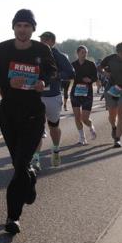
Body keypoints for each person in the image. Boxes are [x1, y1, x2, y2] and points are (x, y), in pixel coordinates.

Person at [0, 9, 57, 236]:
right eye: (19, 25)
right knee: (19, 165)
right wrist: (6, 81)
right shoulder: (1, 49)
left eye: (27, 26)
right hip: (9, 114)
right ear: (13, 27)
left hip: (33, 113)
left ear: (33, 29)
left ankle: (12, 217)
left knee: (20, 164)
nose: (22, 29)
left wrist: (43, 81)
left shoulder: (41, 50)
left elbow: (52, 70)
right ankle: (31, 177)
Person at [34, 32, 74, 169]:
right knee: (37, 128)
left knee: (53, 127)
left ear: (52, 42)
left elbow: (70, 73)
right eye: (40, 40)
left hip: (52, 96)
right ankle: (36, 159)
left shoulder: (59, 56)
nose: (41, 43)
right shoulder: (35, 55)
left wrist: (57, 75)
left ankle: (56, 149)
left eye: (44, 40)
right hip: (37, 96)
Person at [70, 45, 99, 145]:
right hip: (75, 92)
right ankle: (82, 137)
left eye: (86, 52)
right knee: (77, 116)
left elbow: (96, 77)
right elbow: (69, 75)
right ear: (77, 53)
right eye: (82, 52)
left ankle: (91, 126)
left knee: (84, 118)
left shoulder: (91, 64)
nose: (84, 54)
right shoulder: (73, 64)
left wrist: (90, 79)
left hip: (87, 93)